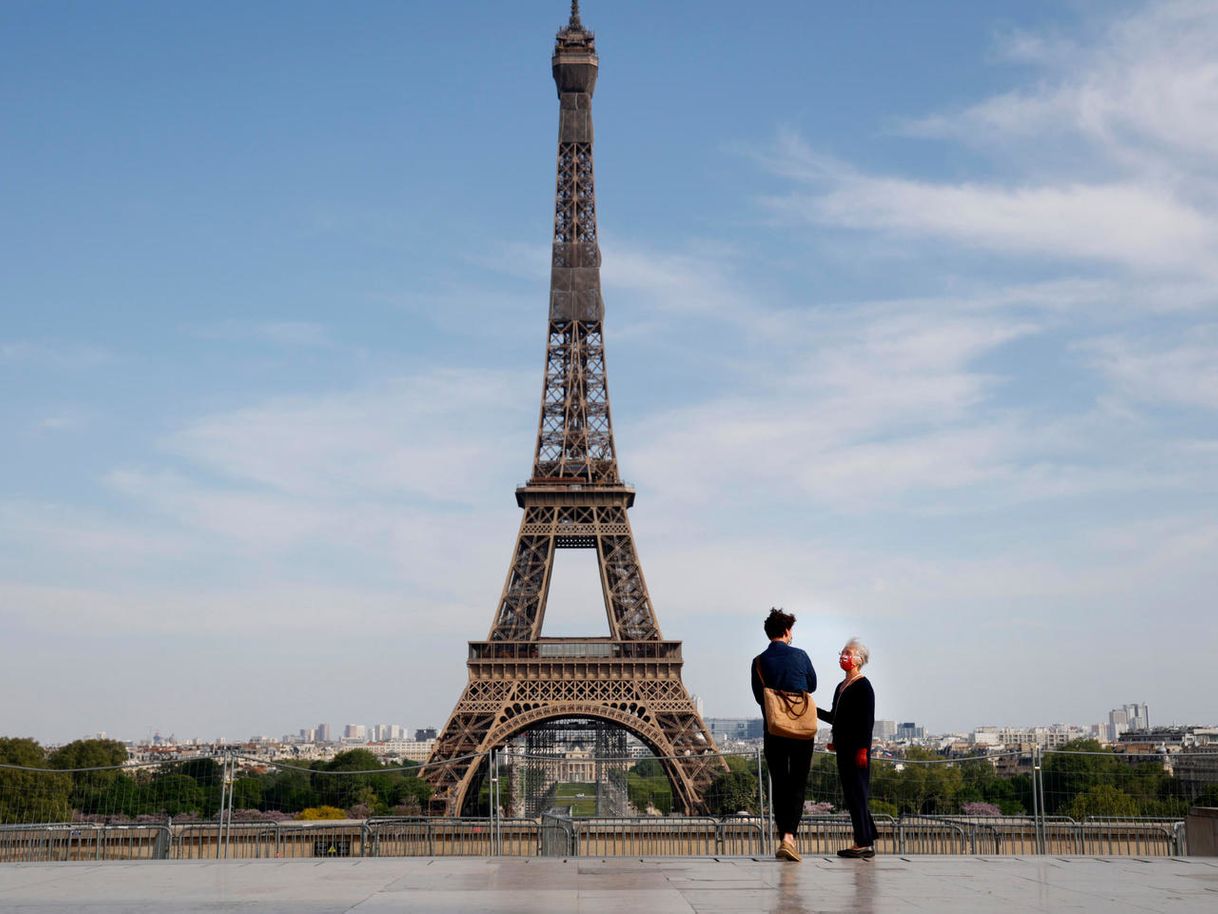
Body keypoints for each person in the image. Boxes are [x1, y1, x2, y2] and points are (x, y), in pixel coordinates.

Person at [751, 607, 817, 862]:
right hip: (802, 729)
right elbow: (811, 685)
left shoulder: (759, 661)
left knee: (779, 783)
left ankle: (782, 838)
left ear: (768, 633)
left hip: (774, 729)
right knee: (798, 783)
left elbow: (759, 697)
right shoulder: (801, 655)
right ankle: (791, 836)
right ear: (788, 631)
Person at [818, 638, 878, 858]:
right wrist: (812, 708)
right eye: (842, 652)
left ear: (859, 660)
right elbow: (836, 718)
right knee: (853, 794)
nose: (844, 656)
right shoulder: (841, 687)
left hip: (856, 749)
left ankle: (863, 842)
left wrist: (863, 749)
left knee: (857, 793)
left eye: (848, 653)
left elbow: (866, 721)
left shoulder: (863, 686)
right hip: (844, 747)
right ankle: (866, 837)